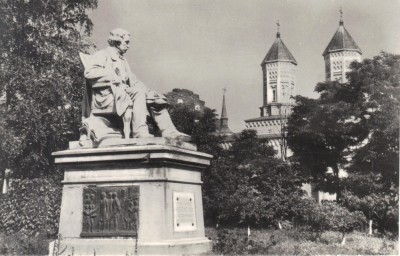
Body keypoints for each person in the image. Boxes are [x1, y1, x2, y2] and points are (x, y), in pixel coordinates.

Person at [83, 28, 189, 140]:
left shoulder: (123, 60)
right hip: (109, 95)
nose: (128, 46)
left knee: (153, 97)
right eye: (126, 42)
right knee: (139, 91)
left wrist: (149, 91)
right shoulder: (102, 54)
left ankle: (170, 132)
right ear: (117, 41)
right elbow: (89, 72)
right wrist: (114, 76)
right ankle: (139, 131)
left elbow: (134, 80)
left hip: (125, 92)